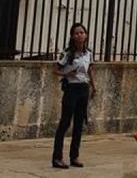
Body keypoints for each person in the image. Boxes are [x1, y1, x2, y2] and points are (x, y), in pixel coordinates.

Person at [52, 22, 97, 169]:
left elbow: (90, 70)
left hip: (83, 88)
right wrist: (67, 73)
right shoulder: (68, 53)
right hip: (71, 89)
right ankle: (57, 157)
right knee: (65, 123)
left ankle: (74, 156)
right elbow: (55, 70)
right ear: (72, 36)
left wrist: (93, 86)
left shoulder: (88, 53)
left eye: (82, 32)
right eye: (77, 33)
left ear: (86, 35)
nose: (80, 35)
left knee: (79, 123)